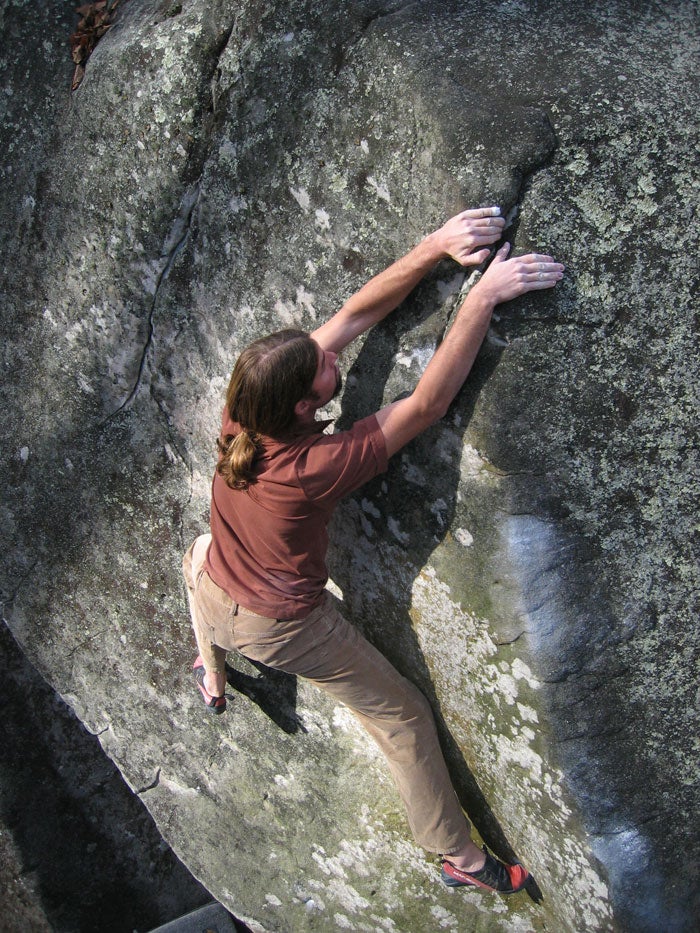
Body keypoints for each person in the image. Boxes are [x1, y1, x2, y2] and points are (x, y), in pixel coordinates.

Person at [183, 206, 564, 894]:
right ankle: (459, 856)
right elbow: (424, 405)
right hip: (282, 625)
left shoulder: (244, 410)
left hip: (216, 581)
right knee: (404, 714)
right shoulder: (311, 468)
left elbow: (354, 318)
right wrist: (479, 297)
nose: (334, 354)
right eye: (325, 368)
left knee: (197, 554)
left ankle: (210, 671)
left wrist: (435, 248)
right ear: (303, 407)